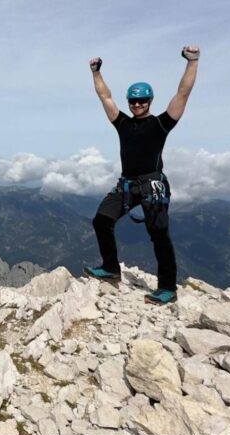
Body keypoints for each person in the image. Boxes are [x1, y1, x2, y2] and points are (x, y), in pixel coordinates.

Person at [83, 46, 200, 305]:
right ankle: (111, 268)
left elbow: (183, 92)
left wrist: (192, 61)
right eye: (133, 101)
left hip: (152, 185)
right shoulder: (122, 123)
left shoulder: (161, 124)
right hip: (126, 185)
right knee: (101, 220)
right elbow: (105, 97)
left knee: (159, 235)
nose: (137, 105)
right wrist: (96, 72)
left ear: (150, 102)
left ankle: (168, 288)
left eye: (142, 101)